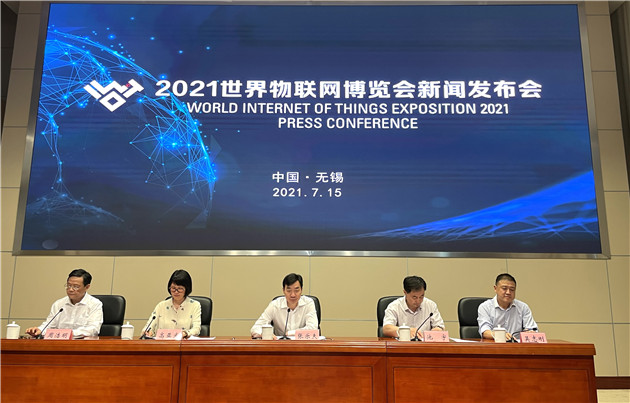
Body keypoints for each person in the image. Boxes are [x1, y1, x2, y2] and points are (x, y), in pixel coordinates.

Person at [26, 268, 103, 338]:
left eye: (76, 286)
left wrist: (68, 333)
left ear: (87, 287)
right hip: (60, 344)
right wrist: (39, 330)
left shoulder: (95, 304)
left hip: (83, 344)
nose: (71, 289)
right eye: (69, 285)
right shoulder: (59, 304)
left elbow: (93, 329)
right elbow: (49, 325)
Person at [251, 273, 318, 339]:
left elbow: (313, 329)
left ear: (301, 290)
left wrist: (290, 333)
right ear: (283, 290)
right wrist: (266, 334)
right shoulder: (275, 305)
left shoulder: (308, 303)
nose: (293, 295)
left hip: (303, 345)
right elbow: (255, 328)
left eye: (296, 290)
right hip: (280, 344)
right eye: (289, 290)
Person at [477, 273, 538, 341]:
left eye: (512, 289)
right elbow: (485, 332)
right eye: (504, 288)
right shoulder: (485, 307)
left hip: (517, 346)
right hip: (494, 345)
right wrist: (500, 335)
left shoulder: (523, 307)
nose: (508, 292)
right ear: (495, 288)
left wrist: (531, 332)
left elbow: (532, 329)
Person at [143, 269, 201, 339]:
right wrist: (147, 332)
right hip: (163, 344)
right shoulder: (161, 306)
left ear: (187, 289)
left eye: (180, 288)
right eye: (173, 288)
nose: (176, 292)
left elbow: (196, 329)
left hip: (183, 343)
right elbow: (148, 326)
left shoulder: (194, 305)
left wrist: (185, 333)